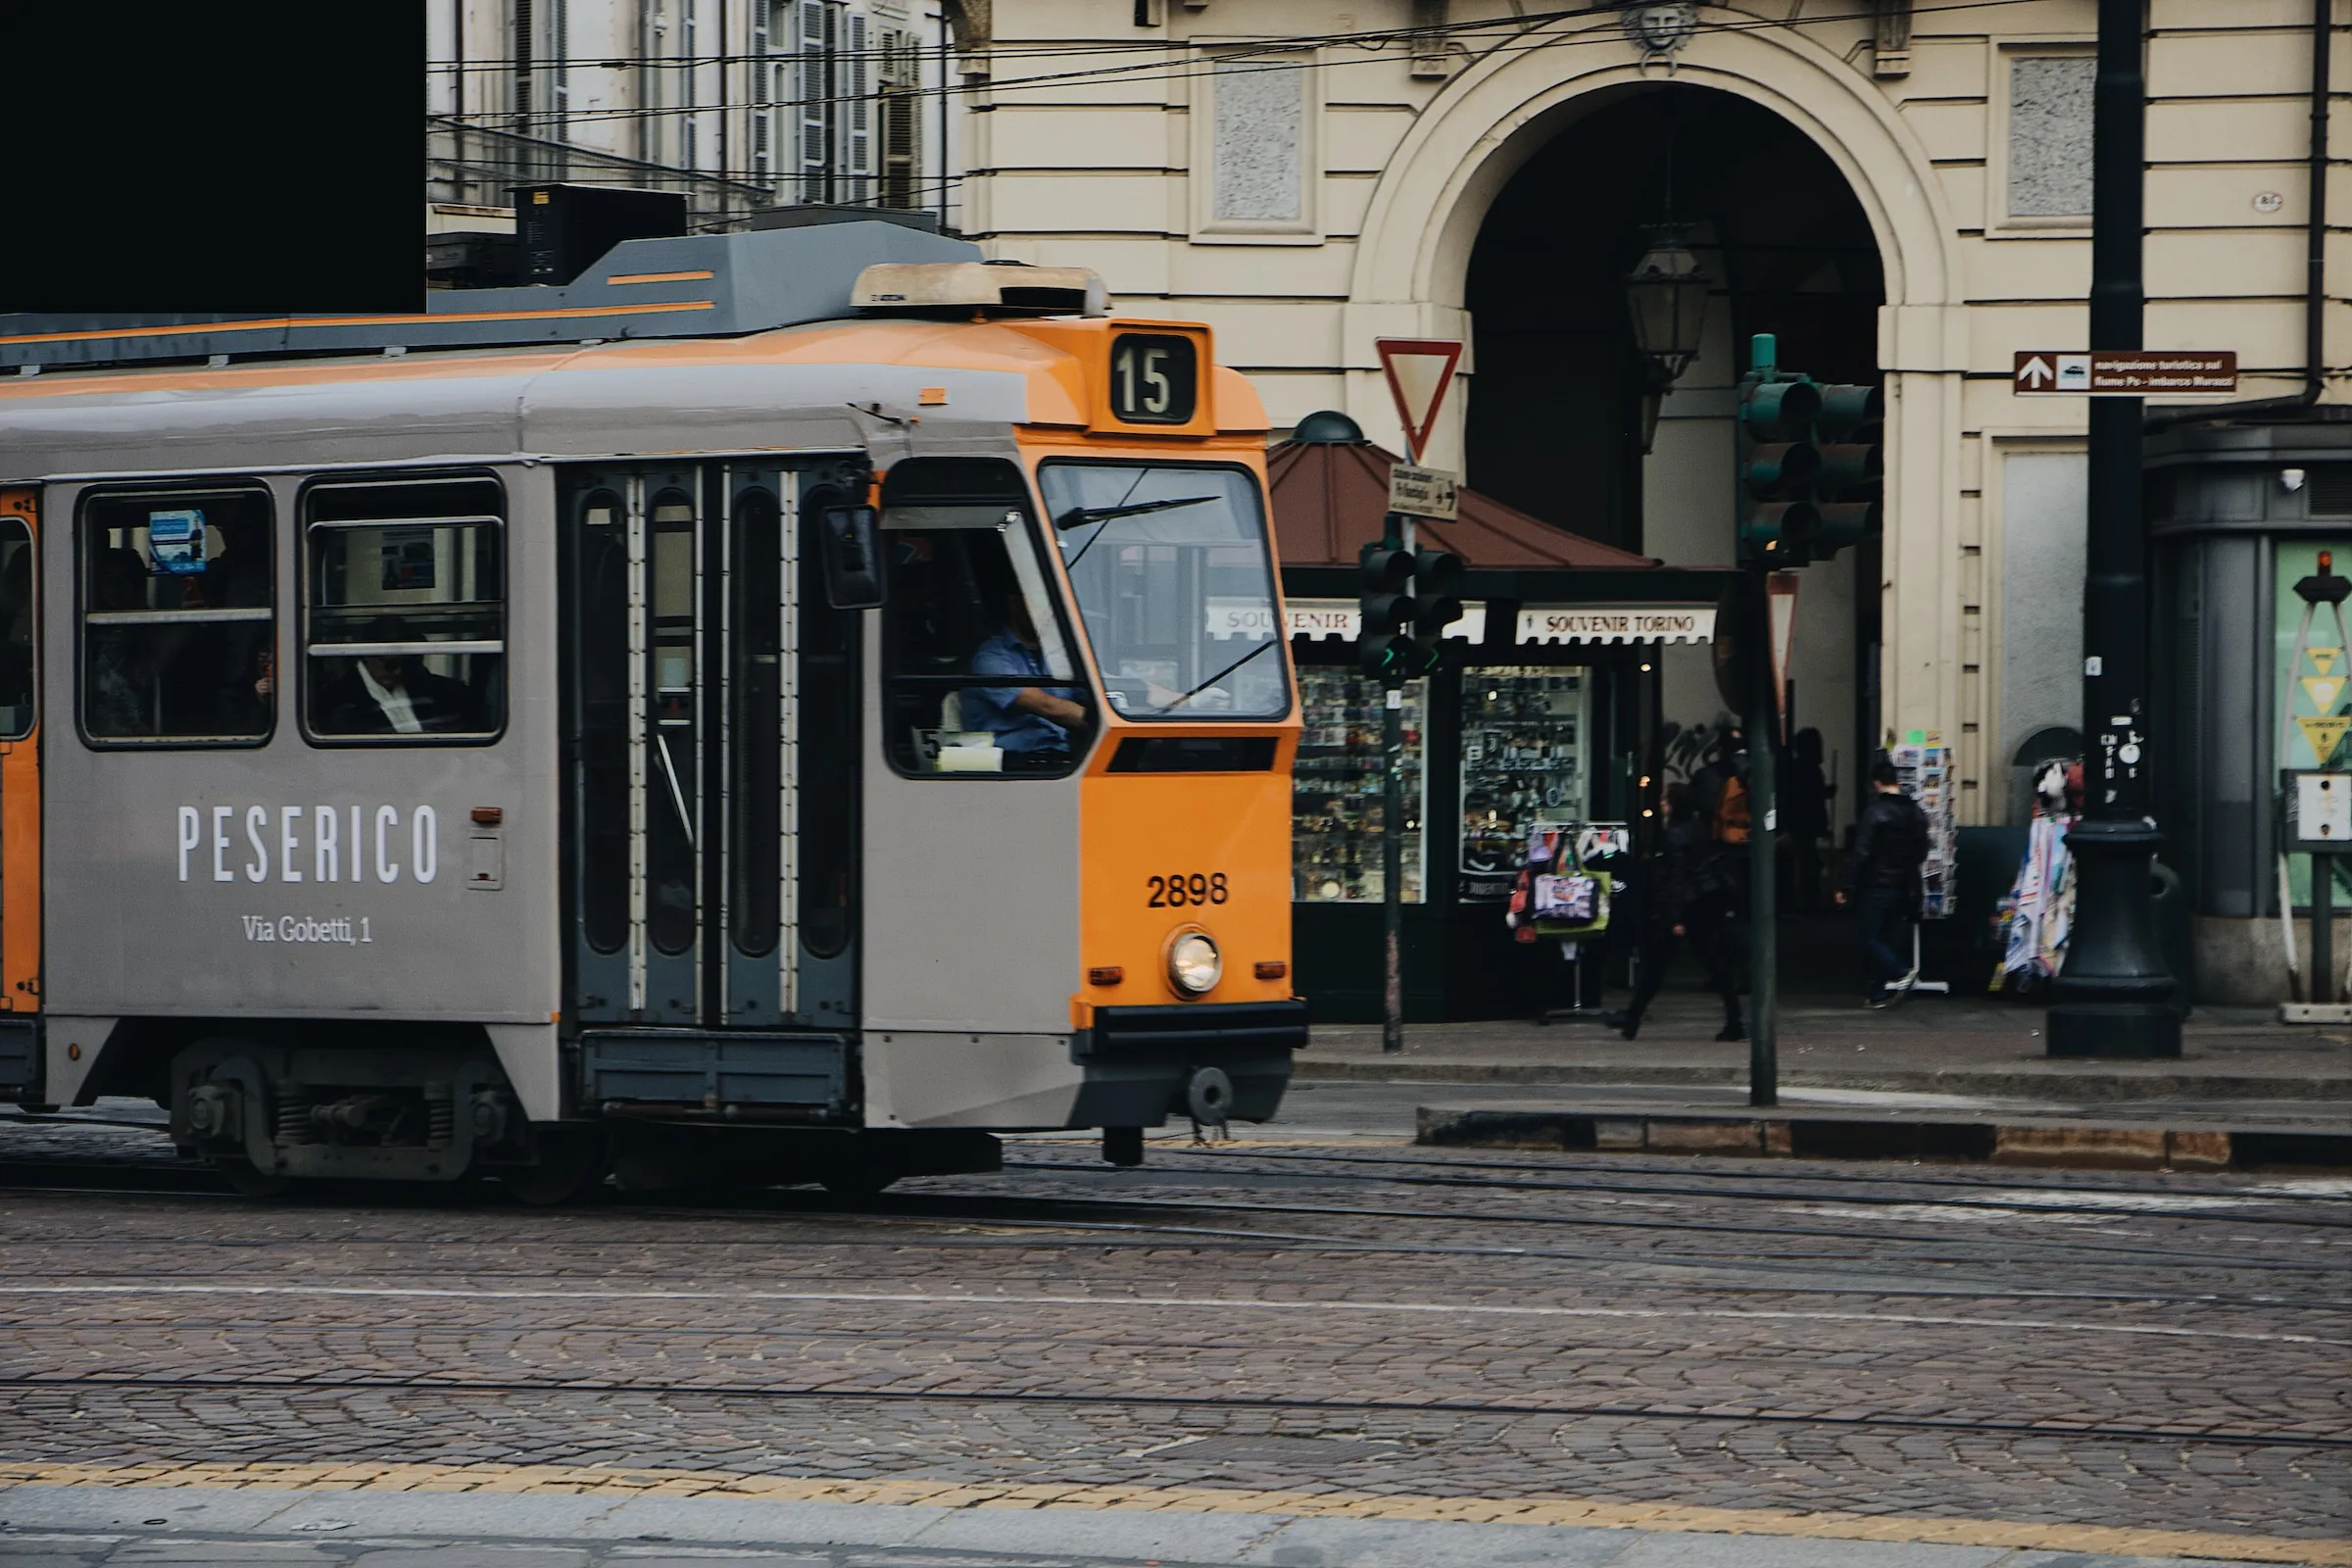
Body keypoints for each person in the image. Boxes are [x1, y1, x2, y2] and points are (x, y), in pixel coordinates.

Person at [1620, 784, 1745, 1042]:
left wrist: (1674, 917)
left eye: (1666, 799)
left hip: (1688, 906)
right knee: (1713, 963)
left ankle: (1632, 1019)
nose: (1663, 803)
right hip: (1704, 901)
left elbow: (1677, 877)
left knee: (1658, 965)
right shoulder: (1697, 828)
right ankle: (1735, 1019)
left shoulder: (1674, 834)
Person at [962, 592, 1088, 763]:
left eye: (1051, 604)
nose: (1046, 611)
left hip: (1059, 757)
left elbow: (1089, 694)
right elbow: (1045, 706)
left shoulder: (1058, 655)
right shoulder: (990, 657)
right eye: (1039, 602)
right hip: (1010, 763)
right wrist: (1099, 720)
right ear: (1014, 602)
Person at [1848, 758, 1931, 1006]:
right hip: (1905, 884)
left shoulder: (1874, 813)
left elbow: (1861, 852)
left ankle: (1900, 971)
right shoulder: (1915, 813)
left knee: (1869, 938)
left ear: (1876, 784)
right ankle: (1877, 993)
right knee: (1885, 937)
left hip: (1877, 884)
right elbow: (1922, 850)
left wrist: (1847, 884)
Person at [316, 616, 480, 736]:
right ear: (367, 656)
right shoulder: (340, 701)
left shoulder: (420, 682)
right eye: (391, 664)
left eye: (406, 664)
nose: (399, 672)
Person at [1783, 727, 1833, 913]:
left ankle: (1805, 901)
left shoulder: (1796, 767)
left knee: (1806, 863)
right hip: (1804, 825)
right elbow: (1811, 799)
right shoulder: (1810, 769)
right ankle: (1806, 902)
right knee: (1806, 864)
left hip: (1799, 824)